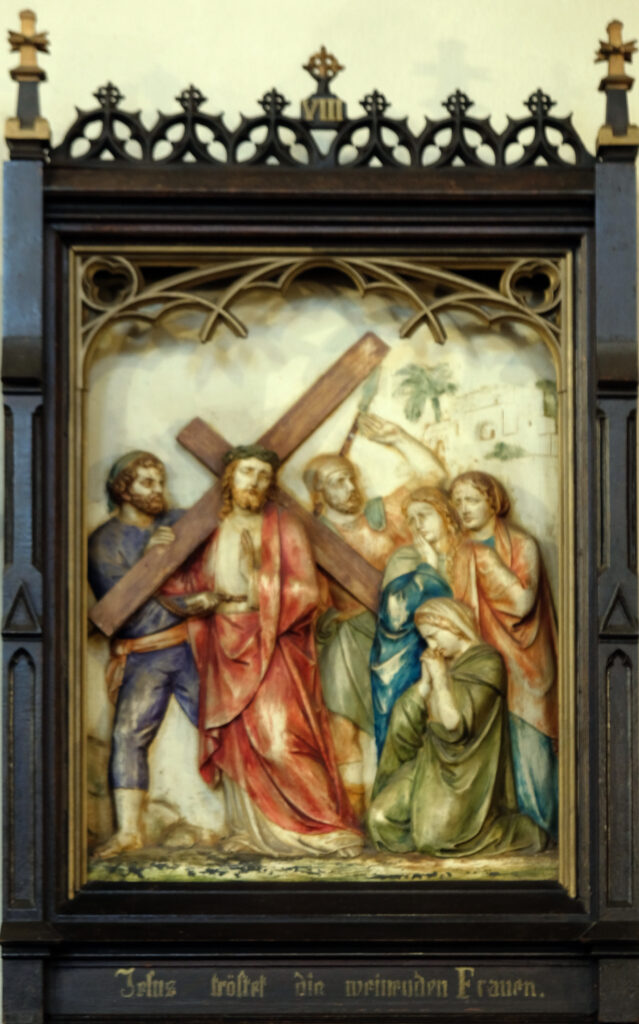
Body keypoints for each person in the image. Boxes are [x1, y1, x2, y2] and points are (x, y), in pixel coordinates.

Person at [165, 444, 363, 857]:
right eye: (246, 472)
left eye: (263, 476)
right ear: (229, 478)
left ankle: (322, 825)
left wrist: (260, 584)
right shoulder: (209, 528)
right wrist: (164, 560)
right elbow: (182, 584)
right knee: (239, 744)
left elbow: (307, 591)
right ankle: (250, 831)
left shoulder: (284, 526)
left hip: (273, 640)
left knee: (280, 740)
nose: (254, 482)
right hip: (223, 642)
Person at [304, 413, 447, 814]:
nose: (350, 487)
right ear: (318, 492)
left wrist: (398, 437)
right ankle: (354, 817)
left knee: (410, 719)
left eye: (351, 478)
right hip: (346, 638)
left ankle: (404, 809)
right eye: (338, 481)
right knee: (342, 727)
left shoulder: (383, 513)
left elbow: (433, 477)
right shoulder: (311, 535)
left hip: (401, 638)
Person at [367, 598, 548, 857]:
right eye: (426, 639)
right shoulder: (444, 664)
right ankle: (427, 830)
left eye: (433, 636)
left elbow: (455, 727)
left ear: (453, 626)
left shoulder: (488, 663)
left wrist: (441, 679)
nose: (431, 646)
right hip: (429, 762)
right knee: (380, 819)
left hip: (468, 773)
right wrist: (425, 686)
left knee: (434, 840)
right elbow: (406, 723)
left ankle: (518, 831)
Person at [87, 451, 201, 858]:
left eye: (160, 482)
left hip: (190, 648)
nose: (158, 490)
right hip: (144, 655)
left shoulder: (176, 523)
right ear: (123, 489)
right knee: (128, 735)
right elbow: (124, 612)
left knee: (226, 721)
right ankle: (129, 831)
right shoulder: (105, 542)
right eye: (147, 482)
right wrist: (153, 562)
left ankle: (254, 822)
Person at [449, 471, 558, 838]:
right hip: (482, 667)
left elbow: (523, 602)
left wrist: (482, 558)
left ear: (493, 502)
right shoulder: (459, 551)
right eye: (458, 501)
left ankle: (542, 833)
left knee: (530, 754)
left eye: (472, 499)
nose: (464, 508)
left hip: (525, 665)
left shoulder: (522, 545)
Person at [370, 487, 459, 755]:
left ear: (445, 515)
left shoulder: (465, 555)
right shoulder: (404, 559)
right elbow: (395, 616)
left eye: (425, 514)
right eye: (412, 519)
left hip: (459, 659)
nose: (418, 524)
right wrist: (427, 569)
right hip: (408, 665)